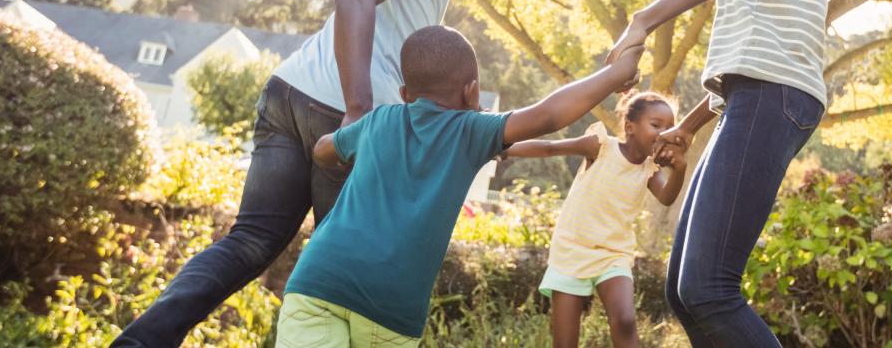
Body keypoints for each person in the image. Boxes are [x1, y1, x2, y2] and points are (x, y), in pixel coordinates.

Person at [113, 0, 505, 347]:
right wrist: (358, 109)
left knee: (253, 240)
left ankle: (140, 343)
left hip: (292, 93)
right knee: (341, 277)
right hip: (340, 112)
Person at [276, 26, 644, 347]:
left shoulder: (379, 120)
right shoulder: (470, 131)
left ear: (405, 93)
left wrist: (340, 151)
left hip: (318, 282)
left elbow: (325, 148)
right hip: (388, 308)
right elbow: (548, 114)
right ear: (472, 93)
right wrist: (617, 73)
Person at [602, 0, 829, 344]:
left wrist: (644, 20)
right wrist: (689, 124)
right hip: (756, 97)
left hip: (773, 97)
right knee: (685, 292)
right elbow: (752, 55)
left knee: (709, 288)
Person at [501, 92, 689, 348]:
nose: (663, 133)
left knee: (625, 320)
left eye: (669, 127)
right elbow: (550, 148)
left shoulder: (649, 169)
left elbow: (667, 197)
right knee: (565, 342)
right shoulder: (599, 146)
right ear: (629, 127)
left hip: (613, 253)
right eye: (656, 125)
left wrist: (680, 170)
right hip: (572, 249)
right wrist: (502, 149)